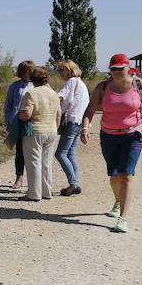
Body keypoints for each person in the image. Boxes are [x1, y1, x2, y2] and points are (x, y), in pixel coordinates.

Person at [80, 54, 142, 233]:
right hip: (108, 135)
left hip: (133, 134)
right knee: (114, 176)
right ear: (110, 70)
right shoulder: (103, 87)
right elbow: (90, 110)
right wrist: (85, 128)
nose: (117, 72)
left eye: (120, 68)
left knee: (127, 174)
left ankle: (123, 218)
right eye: (114, 69)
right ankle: (118, 201)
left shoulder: (139, 85)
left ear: (128, 68)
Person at [18, 67, 61, 201]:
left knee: (34, 163)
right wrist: (54, 128)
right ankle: (46, 191)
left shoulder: (31, 93)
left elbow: (26, 114)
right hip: (51, 130)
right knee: (46, 163)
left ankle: (34, 194)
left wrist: (19, 117)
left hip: (35, 131)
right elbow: (59, 114)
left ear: (31, 78)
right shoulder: (54, 93)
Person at [54, 60, 90, 196]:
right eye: (58, 70)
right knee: (70, 154)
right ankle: (75, 183)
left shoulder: (72, 81)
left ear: (70, 69)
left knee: (60, 154)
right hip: (79, 122)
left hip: (72, 122)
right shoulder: (81, 83)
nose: (59, 73)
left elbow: (60, 97)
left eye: (61, 70)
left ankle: (73, 184)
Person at [4, 61, 35, 189]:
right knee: (20, 151)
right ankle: (19, 177)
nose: (29, 73)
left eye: (30, 70)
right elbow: (8, 105)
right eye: (27, 70)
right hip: (17, 122)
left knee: (33, 152)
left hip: (32, 123)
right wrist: (8, 122)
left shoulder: (37, 86)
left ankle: (34, 181)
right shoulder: (14, 86)